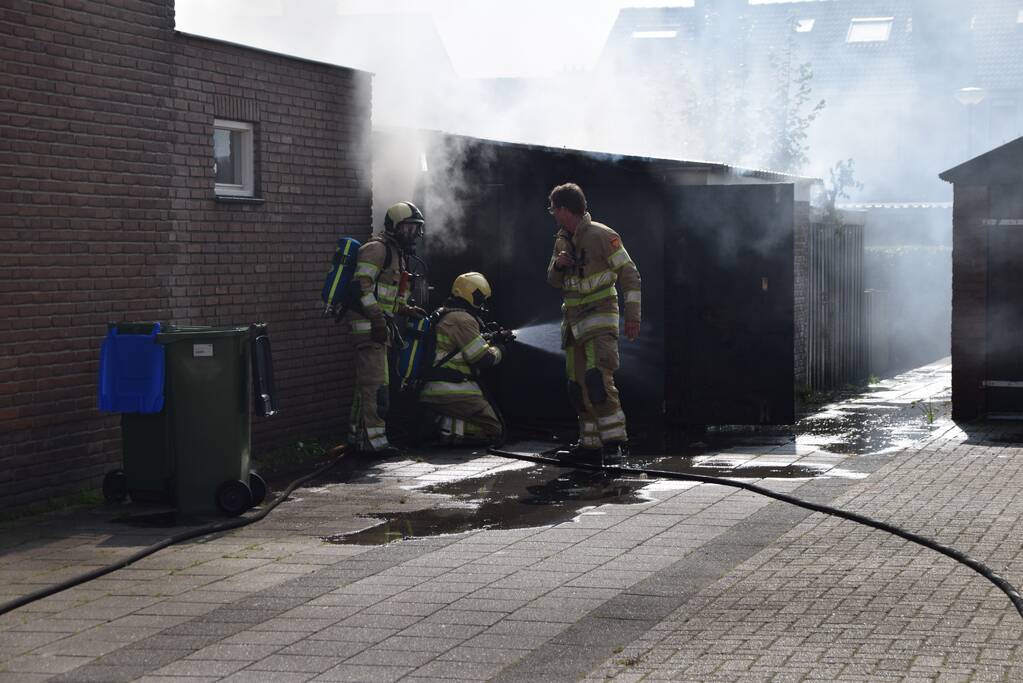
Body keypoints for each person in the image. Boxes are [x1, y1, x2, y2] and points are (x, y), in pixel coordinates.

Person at [545, 182, 641, 462]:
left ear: (564, 209)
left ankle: (614, 444)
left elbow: (630, 275)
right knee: (577, 386)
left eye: (554, 209)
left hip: (599, 319)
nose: (552, 214)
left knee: (598, 380)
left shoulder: (603, 235)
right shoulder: (561, 239)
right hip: (573, 325)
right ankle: (589, 445)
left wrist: (632, 316)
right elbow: (552, 280)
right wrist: (558, 265)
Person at [348, 201, 427, 455]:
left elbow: (390, 296)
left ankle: (359, 438)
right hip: (369, 328)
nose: (412, 234)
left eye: (416, 229)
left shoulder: (396, 254)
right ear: (394, 227)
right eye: (408, 229)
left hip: (380, 328)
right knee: (375, 385)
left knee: (371, 385)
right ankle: (374, 443)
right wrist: (378, 320)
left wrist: (406, 309)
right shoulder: (377, 249)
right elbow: (362, 286)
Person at [419, 272, 506, 446]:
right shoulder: (462, 319)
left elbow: (462, 345)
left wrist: (489, 339)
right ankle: (442, 427)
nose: (482, 305)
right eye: (480, 298)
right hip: (451, 391)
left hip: (441, 388)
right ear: (469, 294)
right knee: (494, 430)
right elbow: (482, 359)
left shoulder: (447, 313)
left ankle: (441, 421)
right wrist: (500, 349)